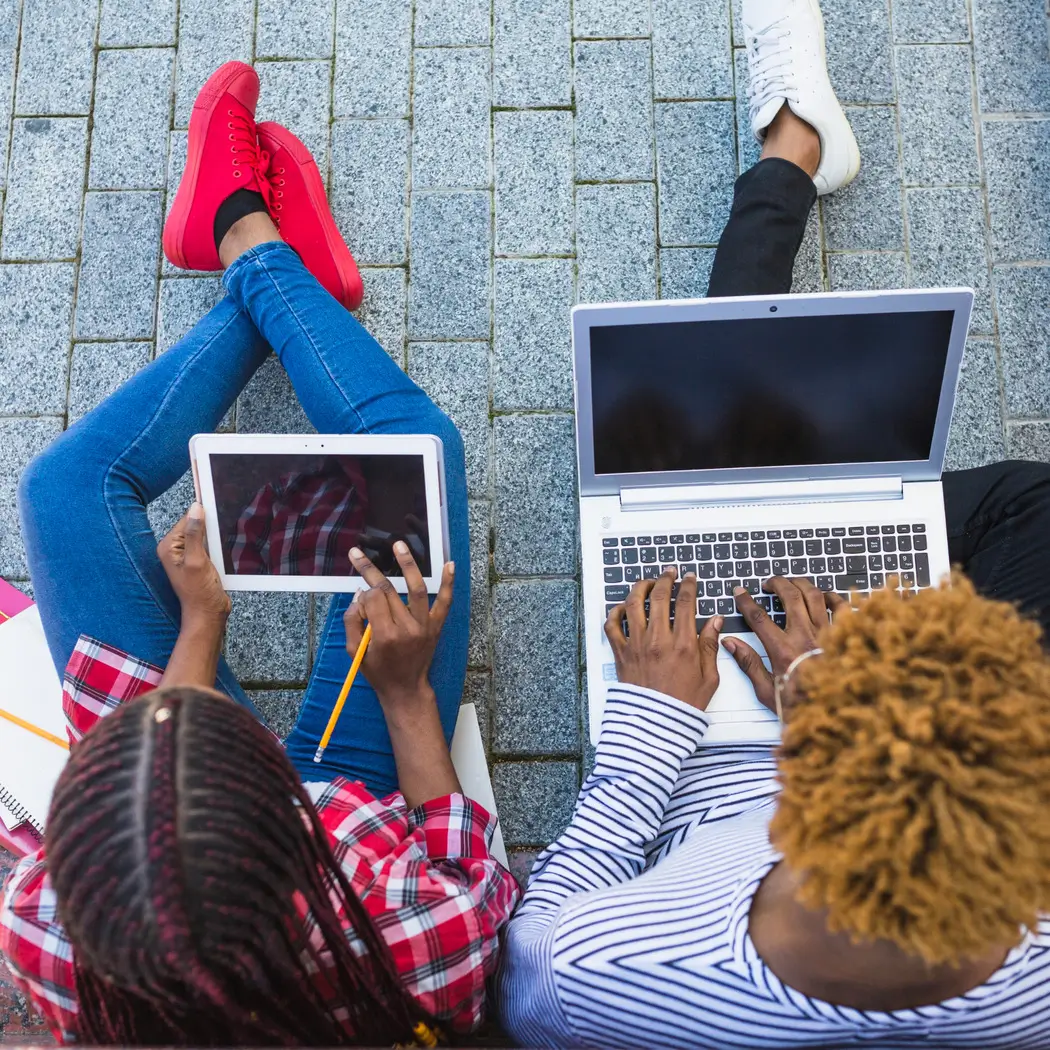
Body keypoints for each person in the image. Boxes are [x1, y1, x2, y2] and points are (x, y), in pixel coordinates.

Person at [497, 0, 1050, 1045]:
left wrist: (658, 723)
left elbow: (528, 973)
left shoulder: (599, 973)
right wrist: (841, 702)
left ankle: (790, 158)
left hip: (692, 742)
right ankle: (791, 159)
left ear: (789, 814)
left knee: (718, 451)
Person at [0, 61, 519, 1046]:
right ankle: (256, 246)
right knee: (415, 453)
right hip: (370, 783)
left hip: (201, 810)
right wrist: (407, 694)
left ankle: (253, 249)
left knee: (60, 493)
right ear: (290, 822)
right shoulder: (418, 934)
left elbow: (168, 749)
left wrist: (200, 626)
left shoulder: (52, 925)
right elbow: (466, 869)